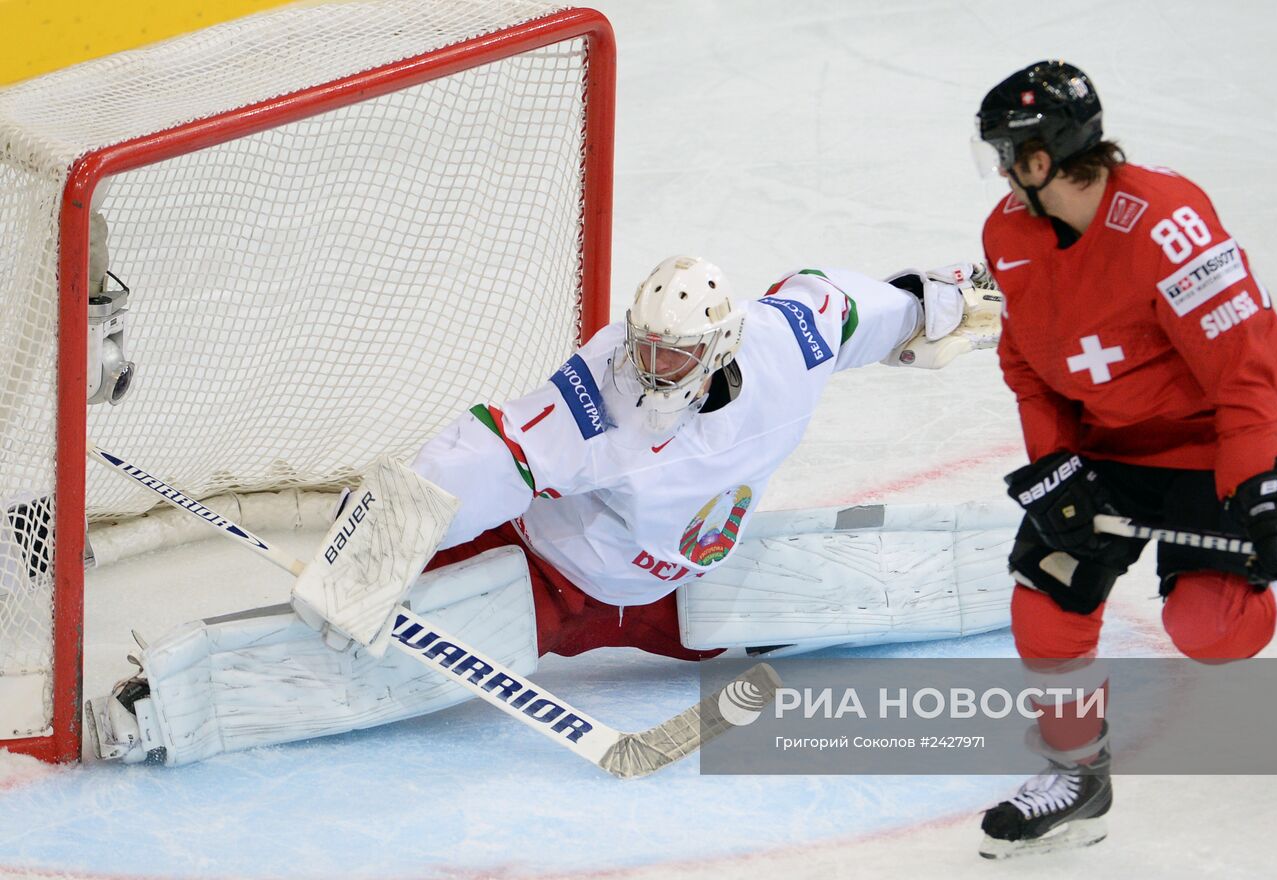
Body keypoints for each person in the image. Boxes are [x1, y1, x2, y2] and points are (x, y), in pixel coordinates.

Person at [86, 255, 1008, 766]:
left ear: (722, 346)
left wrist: (941, 304)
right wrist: (365, 561)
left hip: (682, 587)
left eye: (674, 356)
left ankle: (1021, 563)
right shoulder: (598, 397)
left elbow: (861, 309)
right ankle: (160, 707)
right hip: (545, 582)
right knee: (378, 663)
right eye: (646, 345)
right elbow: (478, 455)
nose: (650, 364)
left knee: (844, 597)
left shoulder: (789, 341)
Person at [969, 60, 1277, 859]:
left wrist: (1263, 494)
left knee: (1209, 629)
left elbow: (1246, 373)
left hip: (1217, 440)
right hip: (1110, 445)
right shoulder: (1008, 234)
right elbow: (1026, 364)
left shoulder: (1167, 224)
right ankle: (1078, 772)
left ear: (1041, 158)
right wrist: (1055, 469)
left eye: (1008, 156)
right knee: (1046, 601)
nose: (1003, 176)